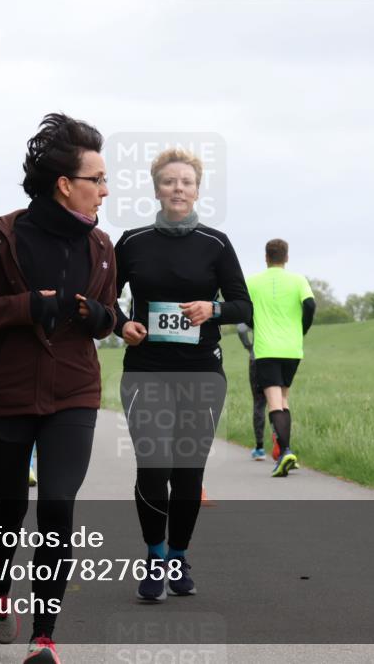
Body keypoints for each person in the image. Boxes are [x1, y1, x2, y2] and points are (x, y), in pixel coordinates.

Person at [0, 113, 116, 664]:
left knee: (58, 504)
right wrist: (25, 307)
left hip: (73, 392)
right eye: (97, 179)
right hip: (7, 392)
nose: (105, 190)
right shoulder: (0, 239)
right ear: (65, 184)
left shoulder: (101, 246)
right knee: (11, 506)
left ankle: (44, 637)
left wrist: (101, 318)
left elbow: (110, 314)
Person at [114, 147, 252, 602]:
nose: (178, 188)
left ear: (197, 190)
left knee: (188, 471)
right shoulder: (132, 242)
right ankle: (154, 557)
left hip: (201, 373)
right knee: (154, 468)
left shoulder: (216, 243)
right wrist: (122, 325)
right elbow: (104, 299)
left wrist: (213, 309)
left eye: (186, 182)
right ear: (156, 189)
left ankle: (178, 556)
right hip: (146, 371)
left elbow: (243, 306)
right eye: (170, 181)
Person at [245, 238, 316, 478]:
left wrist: (254, 323)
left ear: (266, 257)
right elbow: (310, 305)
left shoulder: (253, 282)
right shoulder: (299, 280)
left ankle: (285, 451)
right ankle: (287, 453)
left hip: (266, 349)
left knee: (274, 402)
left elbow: (243, 310)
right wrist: (302, 328)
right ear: (286, 257)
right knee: (284, 399)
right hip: (292, 348)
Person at [237, 322, 273, 460]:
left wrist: (249, 346)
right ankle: (281, 447)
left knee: (259, 403)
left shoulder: (257, 311)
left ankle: (260, 448)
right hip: (278, 357)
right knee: (277, 402)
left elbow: (241, 329)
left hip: (257, 357)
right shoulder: (278, 313)